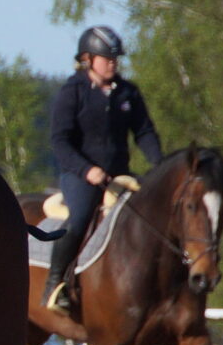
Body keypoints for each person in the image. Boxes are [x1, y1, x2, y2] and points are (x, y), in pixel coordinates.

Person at [43, 25, 163, 313]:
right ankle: (55, 283)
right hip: (81, 177)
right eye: (107, 58)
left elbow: (144, 132)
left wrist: (160, 166)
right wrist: (87, 170)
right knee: (79, 218)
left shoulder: (128, 93)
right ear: (87, 59)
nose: (113, 63)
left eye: (115, 59)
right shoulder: (72, 93)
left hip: (119, 175)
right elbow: (60, 142)